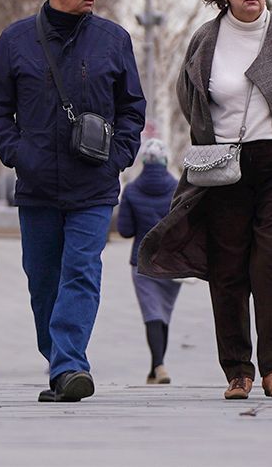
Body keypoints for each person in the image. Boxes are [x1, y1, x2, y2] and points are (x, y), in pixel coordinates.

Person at [139, 0, 272, 402]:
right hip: (222, 167)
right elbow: (190, 97)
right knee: (228, 267)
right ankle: (238, 371)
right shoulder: (206, 39)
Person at [0, 0, 146, 404]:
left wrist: (118, 158)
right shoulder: (15, 41)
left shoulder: (114, 40)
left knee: (81, 271)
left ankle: (71, 364)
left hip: (93, 187)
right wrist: (20, 155)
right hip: (37, 188)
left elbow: (133, 109)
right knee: (43, 279)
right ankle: (60, 362)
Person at [116, 137, 182, 384]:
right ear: (165, 160)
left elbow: (124, 230)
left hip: (142, 262)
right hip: (172, 262)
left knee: (152, 313)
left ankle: (158, 365)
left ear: (144, 161)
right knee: (164, 313)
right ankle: (157, 369)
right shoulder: (178, 188)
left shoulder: (132, 190)